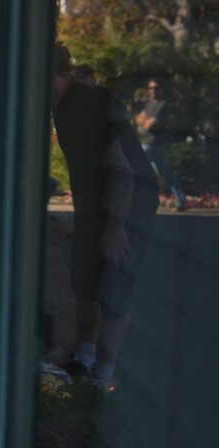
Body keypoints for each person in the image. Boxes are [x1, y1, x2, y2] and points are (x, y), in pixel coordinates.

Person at [49, 43, 159, 393]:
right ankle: (85, 358)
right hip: (95, 200)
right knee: (84, 275)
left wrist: (114, 229)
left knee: (114, 283)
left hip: (131, 201)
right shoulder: (62, 106)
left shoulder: (86, 104)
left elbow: (123, 172)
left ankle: (104, 376)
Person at [135, 77, 187, 211]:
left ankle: (138, 201)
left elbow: (148, 125)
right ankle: (181, 199)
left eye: (155, 88)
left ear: (161, 89)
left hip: (153, 144)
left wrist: (145, 122)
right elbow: (139, 120)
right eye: (150, 88)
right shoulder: (150, 104)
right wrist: (144, 121)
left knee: (136, 169)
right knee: (164, 173)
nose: (153, 90)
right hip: (152, 143)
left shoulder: (162, 105)